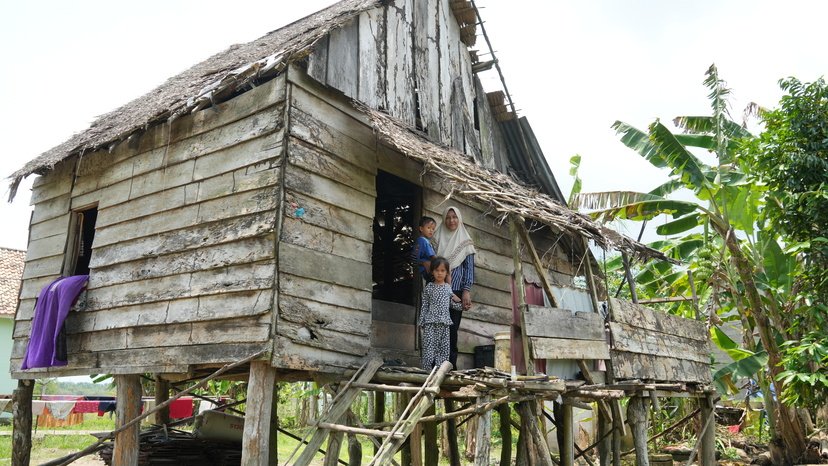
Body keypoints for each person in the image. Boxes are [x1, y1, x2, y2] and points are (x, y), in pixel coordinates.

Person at [433, 205, 476, 367]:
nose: (452, 220)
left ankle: (450, 366)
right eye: (448, 217)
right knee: (436, 327)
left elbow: (469, 269)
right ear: (444, 219)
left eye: (455, 217)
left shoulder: (465, 241)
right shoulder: (436, 239)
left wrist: (466, 291)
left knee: (451, 329)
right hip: (438, 291)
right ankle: (435, 365)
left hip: (456, 291)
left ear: (459, 219)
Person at [419, 257, 462, 370]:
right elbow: (425, 305)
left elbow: (451, 305)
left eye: (442, 271)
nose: (439, 273)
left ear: (447, 273)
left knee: (443, 351)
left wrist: (462, 306)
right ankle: (425, 374)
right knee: (428, 350)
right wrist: (421, 321)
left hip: (444, 324)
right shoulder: (429, 287)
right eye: (437, 270)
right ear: (432, 271)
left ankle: (439, 374)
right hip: (431, 323)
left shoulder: (448, 288)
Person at [411, 216, 437, 282]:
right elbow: (432, 256)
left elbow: (414, 257)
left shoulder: (420, 241)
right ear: (421, 229)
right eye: (428, 228)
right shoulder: (423, 241)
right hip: (428, 269)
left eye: (433, 229)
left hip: (424, 270)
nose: (431, 230)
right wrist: (440, 262)